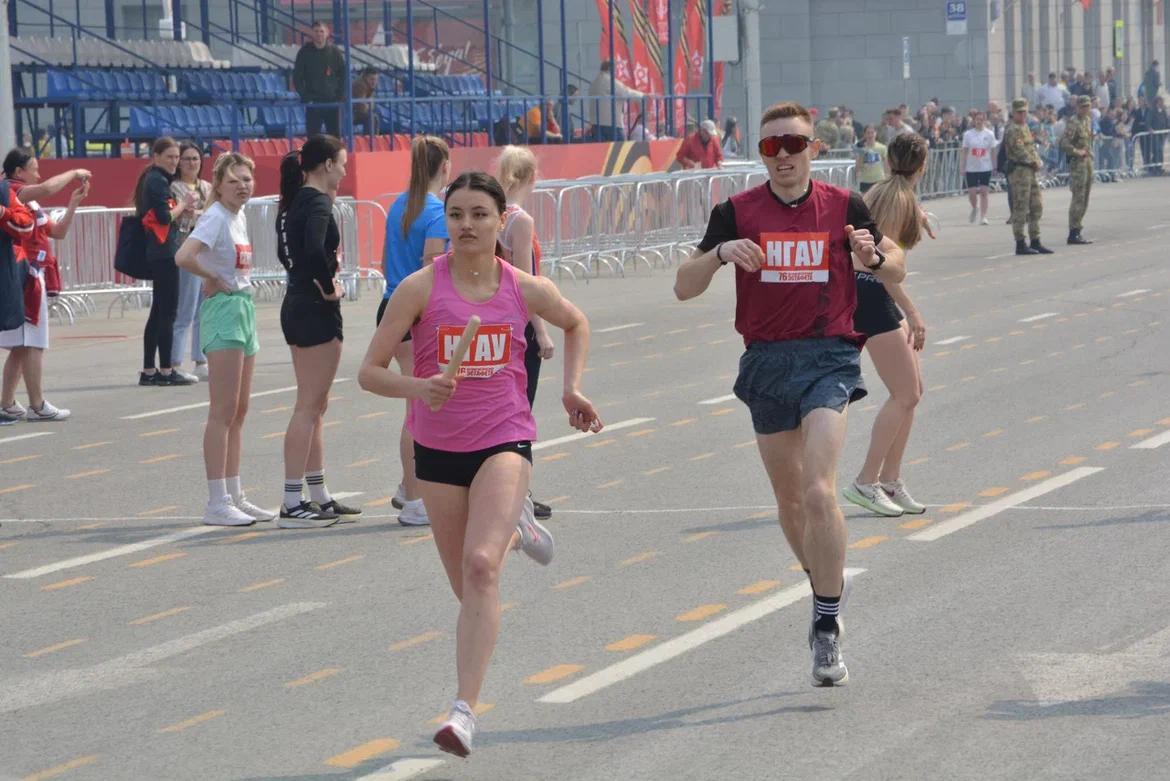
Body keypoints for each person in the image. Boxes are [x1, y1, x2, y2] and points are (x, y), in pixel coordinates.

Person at [357, 171, 603, 757]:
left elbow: (576, 322)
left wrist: (571, 388)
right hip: (438, 450)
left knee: (481, 566)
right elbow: (369, 372)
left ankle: (463, 712)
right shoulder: (419, 288)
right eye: (456, 214)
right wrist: (420, 388)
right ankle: (518, 528)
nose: (466, 225)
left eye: (479, 214)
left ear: (501, 221)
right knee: (467, 589)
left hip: (504, 440)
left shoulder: (523, 286)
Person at [673, 101, 906, 687]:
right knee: (791, 501)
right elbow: (683, 286)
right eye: (771, 146)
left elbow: (896, 264)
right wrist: (719, 254)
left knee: (819, 489)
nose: (783, 156)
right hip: (767, 361)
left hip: (829, 357)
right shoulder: (736, 212)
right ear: (761, 154)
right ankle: (825, 587)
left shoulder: (845, 206)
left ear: (813, 149)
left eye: (794, 144)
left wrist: (874, 256)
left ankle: (825, 626)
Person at [175, 153, 275, 527]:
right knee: (222, 410)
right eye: (234, 181)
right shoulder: (215, 216)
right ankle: (216, 500)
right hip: (224, 311)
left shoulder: (238, 216)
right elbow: (184, 256)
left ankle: (235, 494)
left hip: (243, 306)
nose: (242, 186)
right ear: (218, 185)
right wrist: (212, 277)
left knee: (240, 409)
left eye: (247, 179)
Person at [843, 133, 930, 519]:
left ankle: (891, 479)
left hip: (863, 290)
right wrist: (912, 312)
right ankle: (866, 480)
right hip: (872, 292)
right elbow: (882, 266)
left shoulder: (880, 191)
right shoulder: (899, 200)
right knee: (905, 393)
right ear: (923, 166)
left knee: (913, 391)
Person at [276, 135, 360, 527]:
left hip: (297, 303)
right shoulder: (316, 201)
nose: (343, 171)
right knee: (308, 406)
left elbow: (287, 252)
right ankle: (292, 502)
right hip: (313, 308)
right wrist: (328, 286)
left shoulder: (294, 201)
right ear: (326, 164)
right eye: (342, 164)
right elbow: (311, 249)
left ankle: (318, 494)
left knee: (315, 406)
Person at [380, 135, 452, 527]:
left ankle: (409, 487)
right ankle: (413, 499)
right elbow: (431, 263)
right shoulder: (436, 210)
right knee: (418, 408)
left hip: (392, 302)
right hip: (416, 311)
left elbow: (386, 259)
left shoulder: (399, 204)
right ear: (445, 167)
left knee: (417, 402)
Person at [0, 150, 87, 423]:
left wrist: (73, 203)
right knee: (33, 343)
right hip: (24, 276)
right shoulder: (13, 190)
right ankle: (37, 404)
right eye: (34, 169)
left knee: (21, 346)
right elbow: (48, 187)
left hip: (29, 274)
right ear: (18, 172)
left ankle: (6, 403)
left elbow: (57, 231)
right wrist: (74, 173)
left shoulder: (30, 203)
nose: (38, 175)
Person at [497, 145, 557, 523]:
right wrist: (542, 330)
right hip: (519, 324)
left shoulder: (494, 214)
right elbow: (525, 281)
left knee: (504, 408)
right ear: (532, 177)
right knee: (520, 411)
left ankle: (509, 488)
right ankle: (519, 492)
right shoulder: (520, 220)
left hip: (497, 319)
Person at [135, 137, 200, 386]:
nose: (174, 162)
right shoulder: (158, 181)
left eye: (176, 157)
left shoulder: (156, 179)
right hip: (163, 252)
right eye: (170, 157)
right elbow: (164, 217)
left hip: (159, 251)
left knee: (158, 312)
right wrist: (184, 204)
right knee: (168, 312)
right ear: (156, 156)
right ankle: (165, 370)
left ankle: (149, 370)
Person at [171, 142, 213, 382]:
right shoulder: (175, 187)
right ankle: (175, 360)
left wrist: (197, 213)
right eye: (186, 159)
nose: (191, 163)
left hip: (205, 252)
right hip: (186, 249)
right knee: (185, 307)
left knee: (203, 308)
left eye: (195, 158)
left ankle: (201, 359)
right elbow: (180, 218)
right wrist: (195, 212)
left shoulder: (207, 187)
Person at [1004, 99, 1052, 256]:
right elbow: (1019, 150)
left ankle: (1035, 240)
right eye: (1020, 112)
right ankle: (1020, 243)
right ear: (1013, 113)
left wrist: (1037, 160)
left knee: (1036, 205)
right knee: (1021, 208)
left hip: (1030, 171)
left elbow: (1030, 148)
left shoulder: (1024, 127)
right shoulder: (1012, 129)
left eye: (1025, 112)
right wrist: (1034, 161)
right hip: (1019, 171)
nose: (1023, 115)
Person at [293, 21, 346, 138]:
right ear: (312, 33)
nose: (319, 34)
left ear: (327, 33)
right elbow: (297, 77)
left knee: (334, 138)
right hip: (313, 103)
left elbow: (343, 75)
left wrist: (339, 96)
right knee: (313, 138)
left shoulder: (335, 52)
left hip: (332, 103)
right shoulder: (304, 52)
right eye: (316, 31)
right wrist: (306, 97)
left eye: (322, 31)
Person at [1061, 95, 1094, 245]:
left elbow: (1088, 140)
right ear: (1077, 107)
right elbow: (1063, 143)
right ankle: (1073, 232)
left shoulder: (1087, 120)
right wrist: (1076, 151)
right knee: (1078, 197)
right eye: (1083, 107)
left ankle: (1078, 229)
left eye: (1087, 106)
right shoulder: (1073, 122)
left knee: (1085, 197)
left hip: (1087, 162)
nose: (1085, 109)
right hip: (1077, 165)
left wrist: (1089, 153)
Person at [587, 60, 643, 141]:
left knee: (602, 147)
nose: (616, 72)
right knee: (620, 146)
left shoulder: (594, 82)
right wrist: (642, 96)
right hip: (611, 123)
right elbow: (625, 92)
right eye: (616, 69)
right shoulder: (609, 81)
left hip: (596, 123)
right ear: (610, 68)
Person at [960, 110, 997, 225]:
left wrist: (994, 166)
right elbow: (964, 151)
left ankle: (983, 216)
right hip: (971, 168)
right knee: (972, 193)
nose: (979, 122)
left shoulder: (989, 134)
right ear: (974, 121)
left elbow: (993, 151)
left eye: (981, 120)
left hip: (985, 167)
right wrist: (962, 166)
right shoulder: (968, 134)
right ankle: (974, 207)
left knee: (984, 192)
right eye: (977, 120)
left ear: (984, 121)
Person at [854, 125, 888, 194]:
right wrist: (862, 154)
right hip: (865, 181)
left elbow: (886, 165)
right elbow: (858, 167)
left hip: (879, 179)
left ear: (876, 133)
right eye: (868, 133)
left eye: (872, 133)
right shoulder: (860, 149)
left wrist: (887, 177)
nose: (870, 135)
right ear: (864, 134)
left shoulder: (882, 147)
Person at [352, 66, 379, 135]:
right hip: (348, 113)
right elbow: (362, 107)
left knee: (374, 117)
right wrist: (368, 105)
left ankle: (374, 138)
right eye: (372, 79)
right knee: (371, 117)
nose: (374, 82)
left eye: (376, 80)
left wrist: (368, 105)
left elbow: (370, 105)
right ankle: (369, 139)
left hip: (355, 111)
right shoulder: (360, 85)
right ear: (365, 77)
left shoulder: (370, 86)